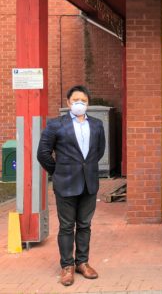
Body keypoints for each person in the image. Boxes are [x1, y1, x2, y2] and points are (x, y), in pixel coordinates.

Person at [37, 85, 106, 287]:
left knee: (85, 225)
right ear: (68, 102)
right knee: (67, 226)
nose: (79, 103)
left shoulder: (96, 125)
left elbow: (98, 151)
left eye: (83, 100)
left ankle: (82, 262)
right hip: (65, 183)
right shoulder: (56, 125)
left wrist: (87, 168)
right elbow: (43, 153)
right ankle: (67, 266)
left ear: (88, 103)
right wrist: (58, 171)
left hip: (89, 182)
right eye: (75, 100)